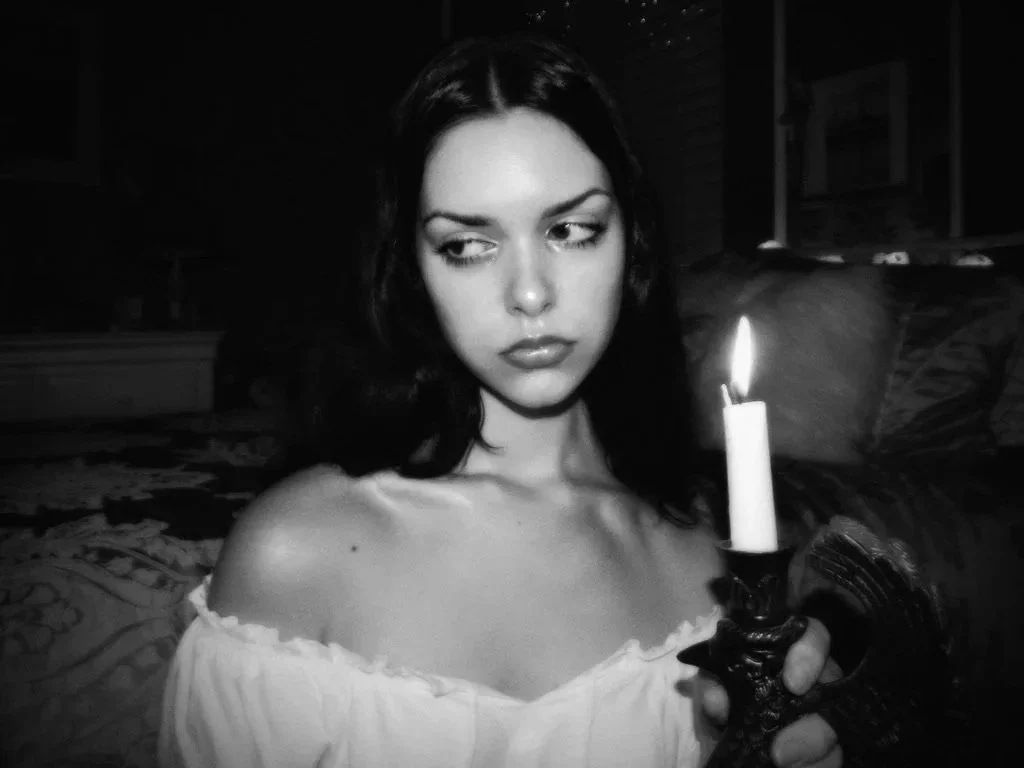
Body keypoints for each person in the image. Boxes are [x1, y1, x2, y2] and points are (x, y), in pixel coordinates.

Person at [159, 34, 843, 768]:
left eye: (572, 230)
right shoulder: (296, 552)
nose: (528, 293)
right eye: (467, 245)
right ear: (414, 272)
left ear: (632, 245)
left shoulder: (710, 556)